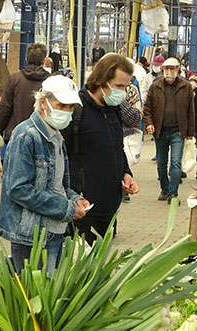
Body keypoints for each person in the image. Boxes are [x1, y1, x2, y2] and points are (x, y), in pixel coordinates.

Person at [0, 75, 87, 275]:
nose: (67, 112)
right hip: (32, 235)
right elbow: (18, 188)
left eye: (71, 108)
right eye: (61, 106)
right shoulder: (26, 135)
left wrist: (74, 199)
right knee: (33, 298)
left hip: (55, 229)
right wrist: (65, 207)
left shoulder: (57, 137)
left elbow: (56, 184)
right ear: (44, 102)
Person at [61, 54, 139, 245]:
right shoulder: (76, 110)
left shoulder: (113, 109)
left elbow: (117, 147)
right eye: (119, 86)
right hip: (83, 210)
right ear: (102, 81)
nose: (123, 92)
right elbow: (59, 156)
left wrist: (126, 173)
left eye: (126, 86)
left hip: (110, 208)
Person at [144, 57, 194, 204]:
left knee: (176, 163)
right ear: (162, 70)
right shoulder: (155, 86)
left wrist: (190, 133)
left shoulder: (186, 87)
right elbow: (147, 109)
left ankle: (173, 194)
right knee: (161, 163)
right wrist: (149, 124)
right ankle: (164, 189)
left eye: (172, 68)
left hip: (178, 132)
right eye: (166, 68)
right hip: (160, 131)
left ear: (178, 69)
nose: (169, 71)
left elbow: (191, 111)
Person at [0, 43, 49, 143]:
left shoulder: (15, 79)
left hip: (15, 135)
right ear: (44, 60)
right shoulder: (51, 81)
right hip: (43, 136)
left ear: (26, 58)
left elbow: (5, 108)